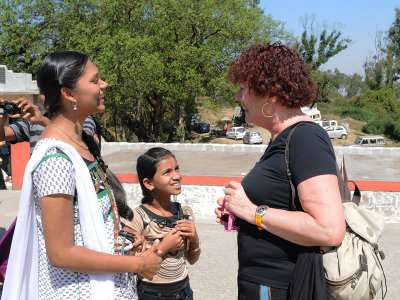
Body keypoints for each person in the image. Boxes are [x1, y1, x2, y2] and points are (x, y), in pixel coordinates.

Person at [1, 51, 162, 300]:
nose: (104, 85)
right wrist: (138, 266)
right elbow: (61, 253)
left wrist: (125, 236)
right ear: (68, 93)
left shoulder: (82, 144)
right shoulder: (56, 160)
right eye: (95, 80)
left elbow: (93, 218)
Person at [214, 42, 345, 299]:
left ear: (270, 94)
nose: (237, 97)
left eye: (242, 89)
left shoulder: (305, 138)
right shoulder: (281, 138)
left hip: (280, 286)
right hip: (263, 282)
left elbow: (329, 229)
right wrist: (239, 213)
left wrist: (252, 212)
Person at [129, 147, 200, 300]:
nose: (177, 176)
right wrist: (164, 247)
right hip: (151, 294)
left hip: (184, 292)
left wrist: (195, 238)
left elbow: (192, 259)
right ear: (148, 183)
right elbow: (131, 267)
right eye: (167, 172)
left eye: (177, 169)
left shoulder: (185, 212)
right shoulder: (138, 217)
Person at [0, 96, 98, 154]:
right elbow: (3, 135)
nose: (47, 97)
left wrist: (44, 122)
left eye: (51, 91)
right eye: (43, 92)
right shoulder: (32, 122)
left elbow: (84, 143)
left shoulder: (82, 119)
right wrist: (1, 121)